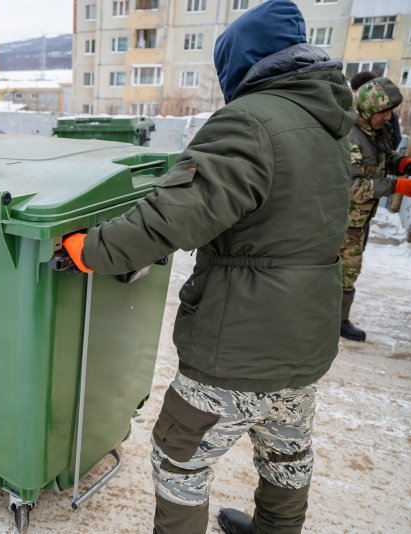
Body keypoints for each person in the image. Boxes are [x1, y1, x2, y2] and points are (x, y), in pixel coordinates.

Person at [61, 1, 355, 532]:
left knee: (180, 457)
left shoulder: (251, 121)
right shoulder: (330, 127)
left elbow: (172, 216)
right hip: (307, 338)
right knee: (286, 452)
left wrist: (92, 249)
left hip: (239, 341)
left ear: (243, 64)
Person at [339, 77, 411, 342]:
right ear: (369, 109)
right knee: (347, 270)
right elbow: (354, 187)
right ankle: (339, 321)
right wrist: (397, 186)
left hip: (360, 218)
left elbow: (383, 158)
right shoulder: (351, 137)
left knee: (348, 270)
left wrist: (401, 163)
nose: (388, 116)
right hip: (344, 221)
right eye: (384, 111)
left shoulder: (377, 132)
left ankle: (334, 318)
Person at [349, 70, 402, 150]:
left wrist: (398, 160)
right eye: (355, 94)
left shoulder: (387, 122)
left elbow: (392, 146)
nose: (357, 99)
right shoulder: (348, 129)